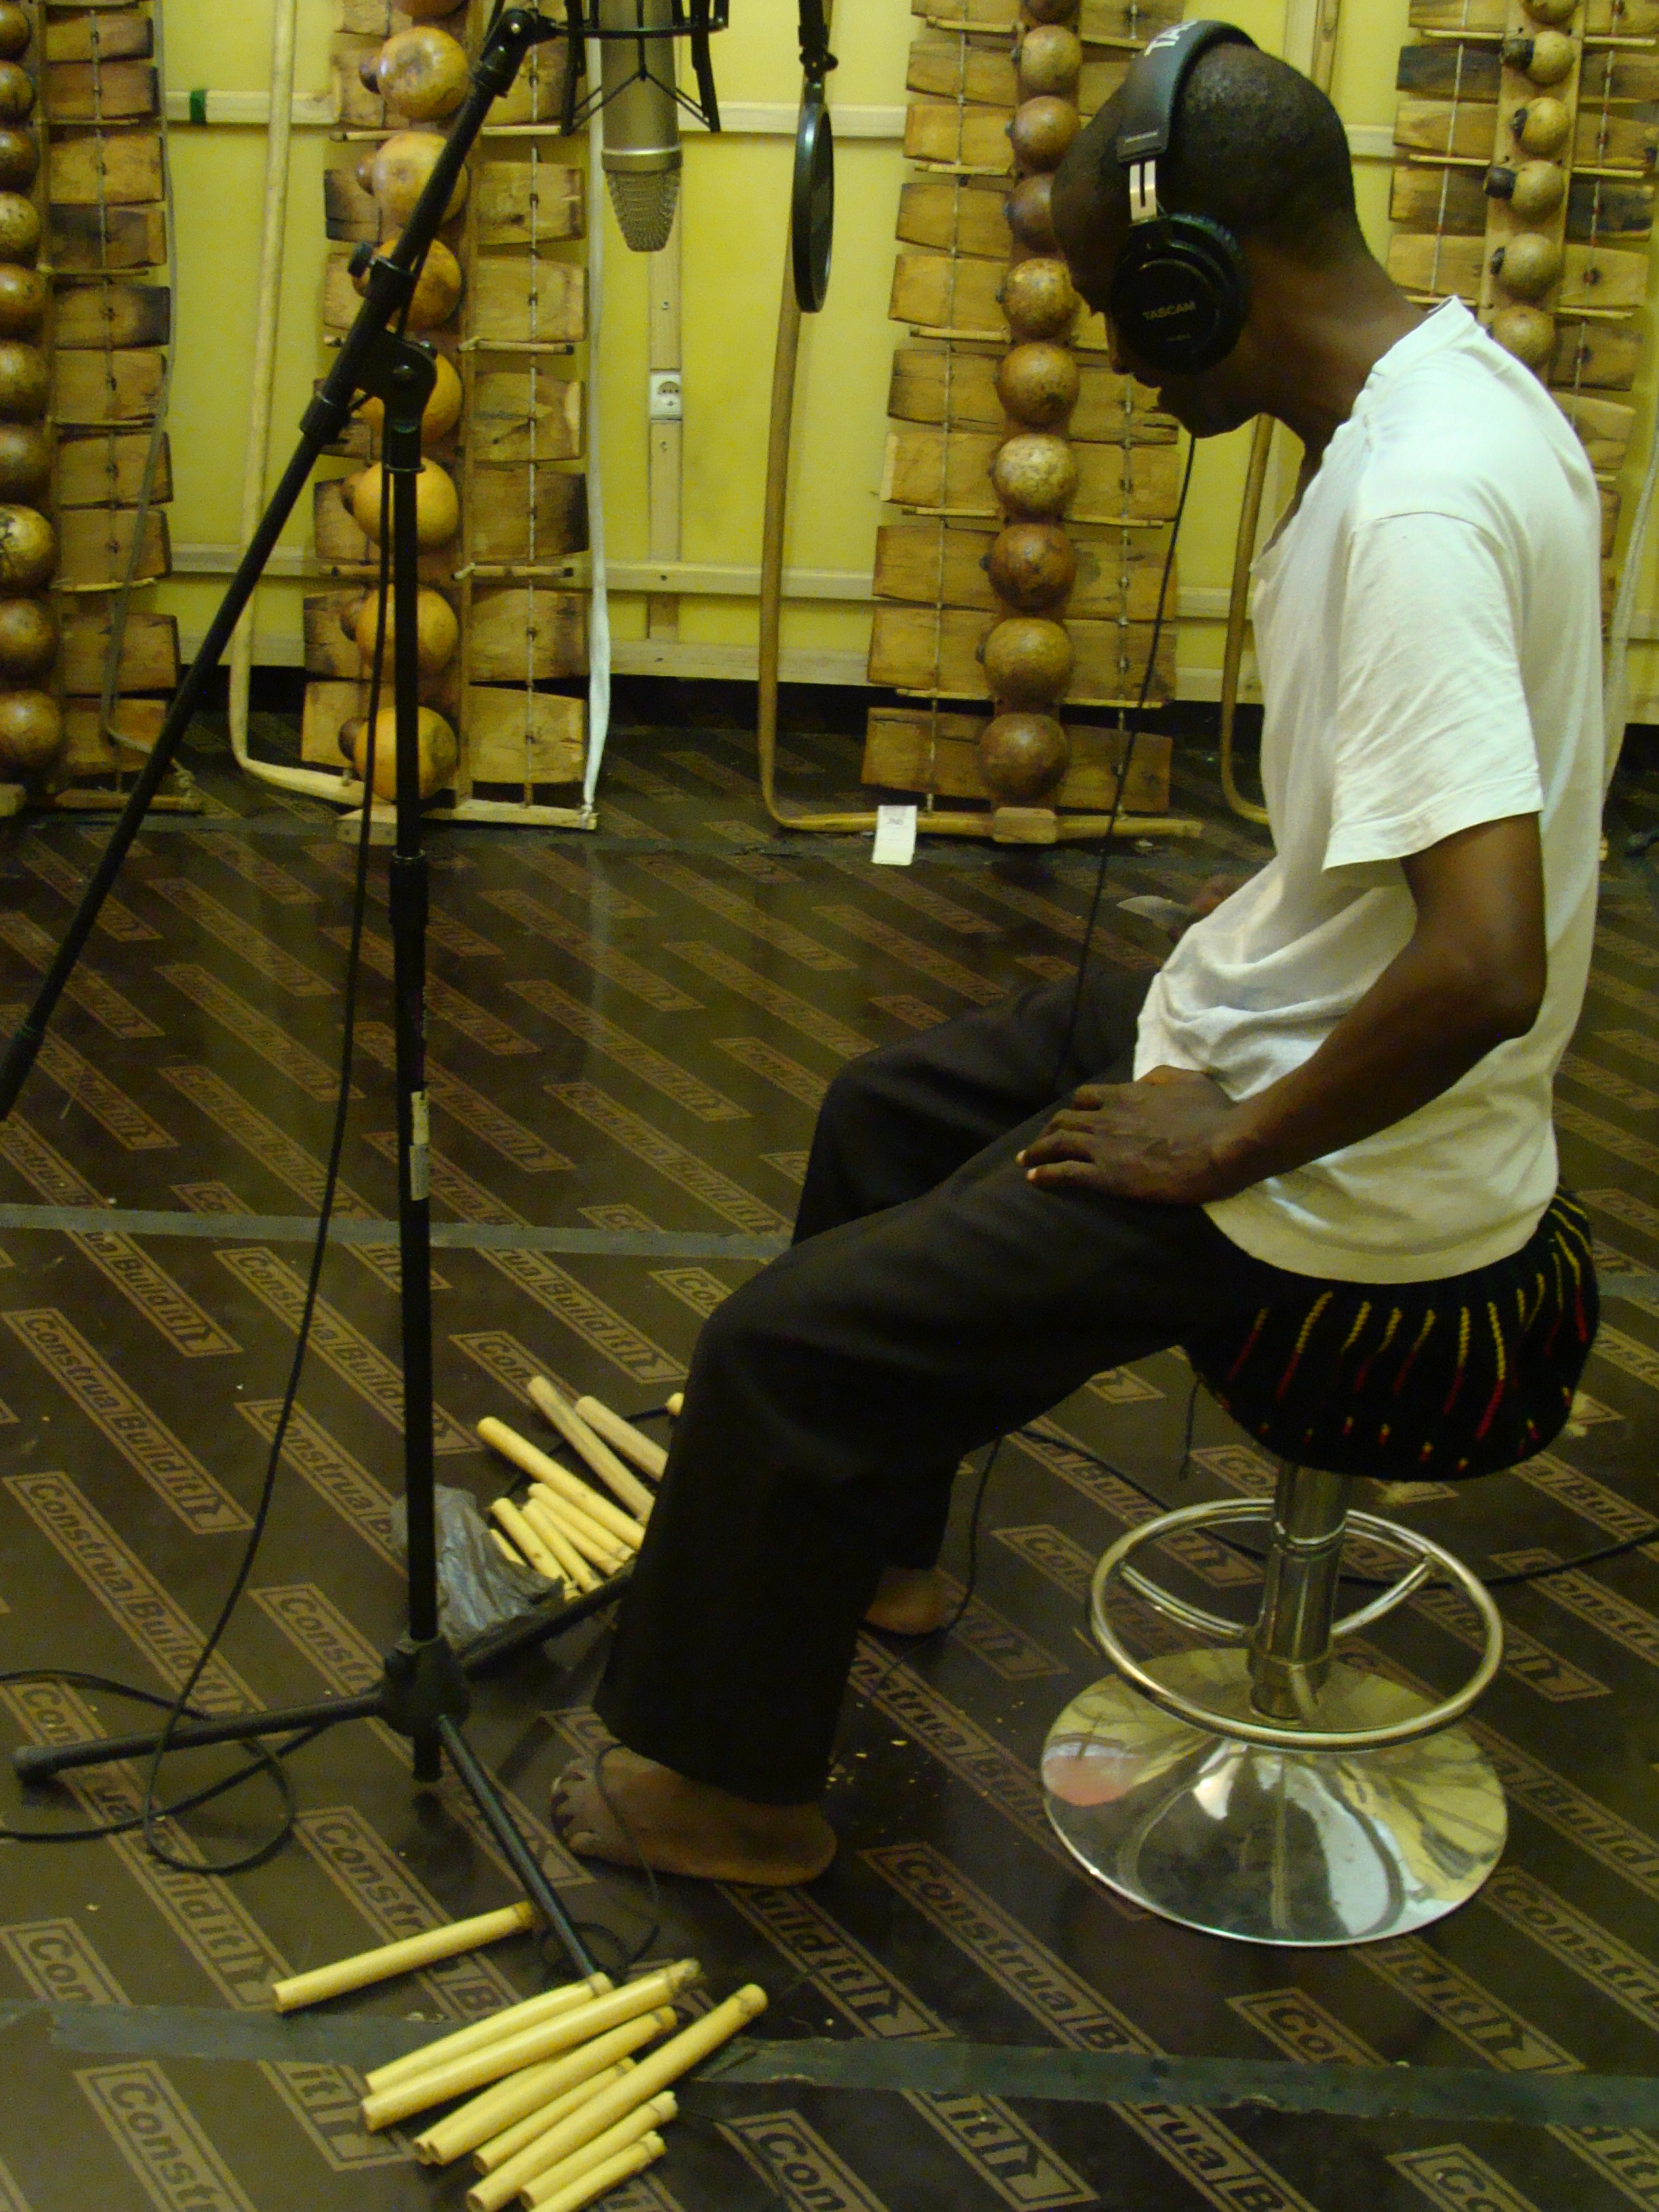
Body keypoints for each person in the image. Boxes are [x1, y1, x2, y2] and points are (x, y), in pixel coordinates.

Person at [549, 30, 1605, 1884]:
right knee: (884, 1112)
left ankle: (732, 1794)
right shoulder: (1451, 386)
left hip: (1351, 1167)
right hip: (1309, 1021)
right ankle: (872, 1555)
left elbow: (1486, 967)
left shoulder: (1416, 504)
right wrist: (1282, 909)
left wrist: (1221, 1144)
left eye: (1132, 305)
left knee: (777, 1356)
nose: (1121, 351)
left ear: (1207, 272)